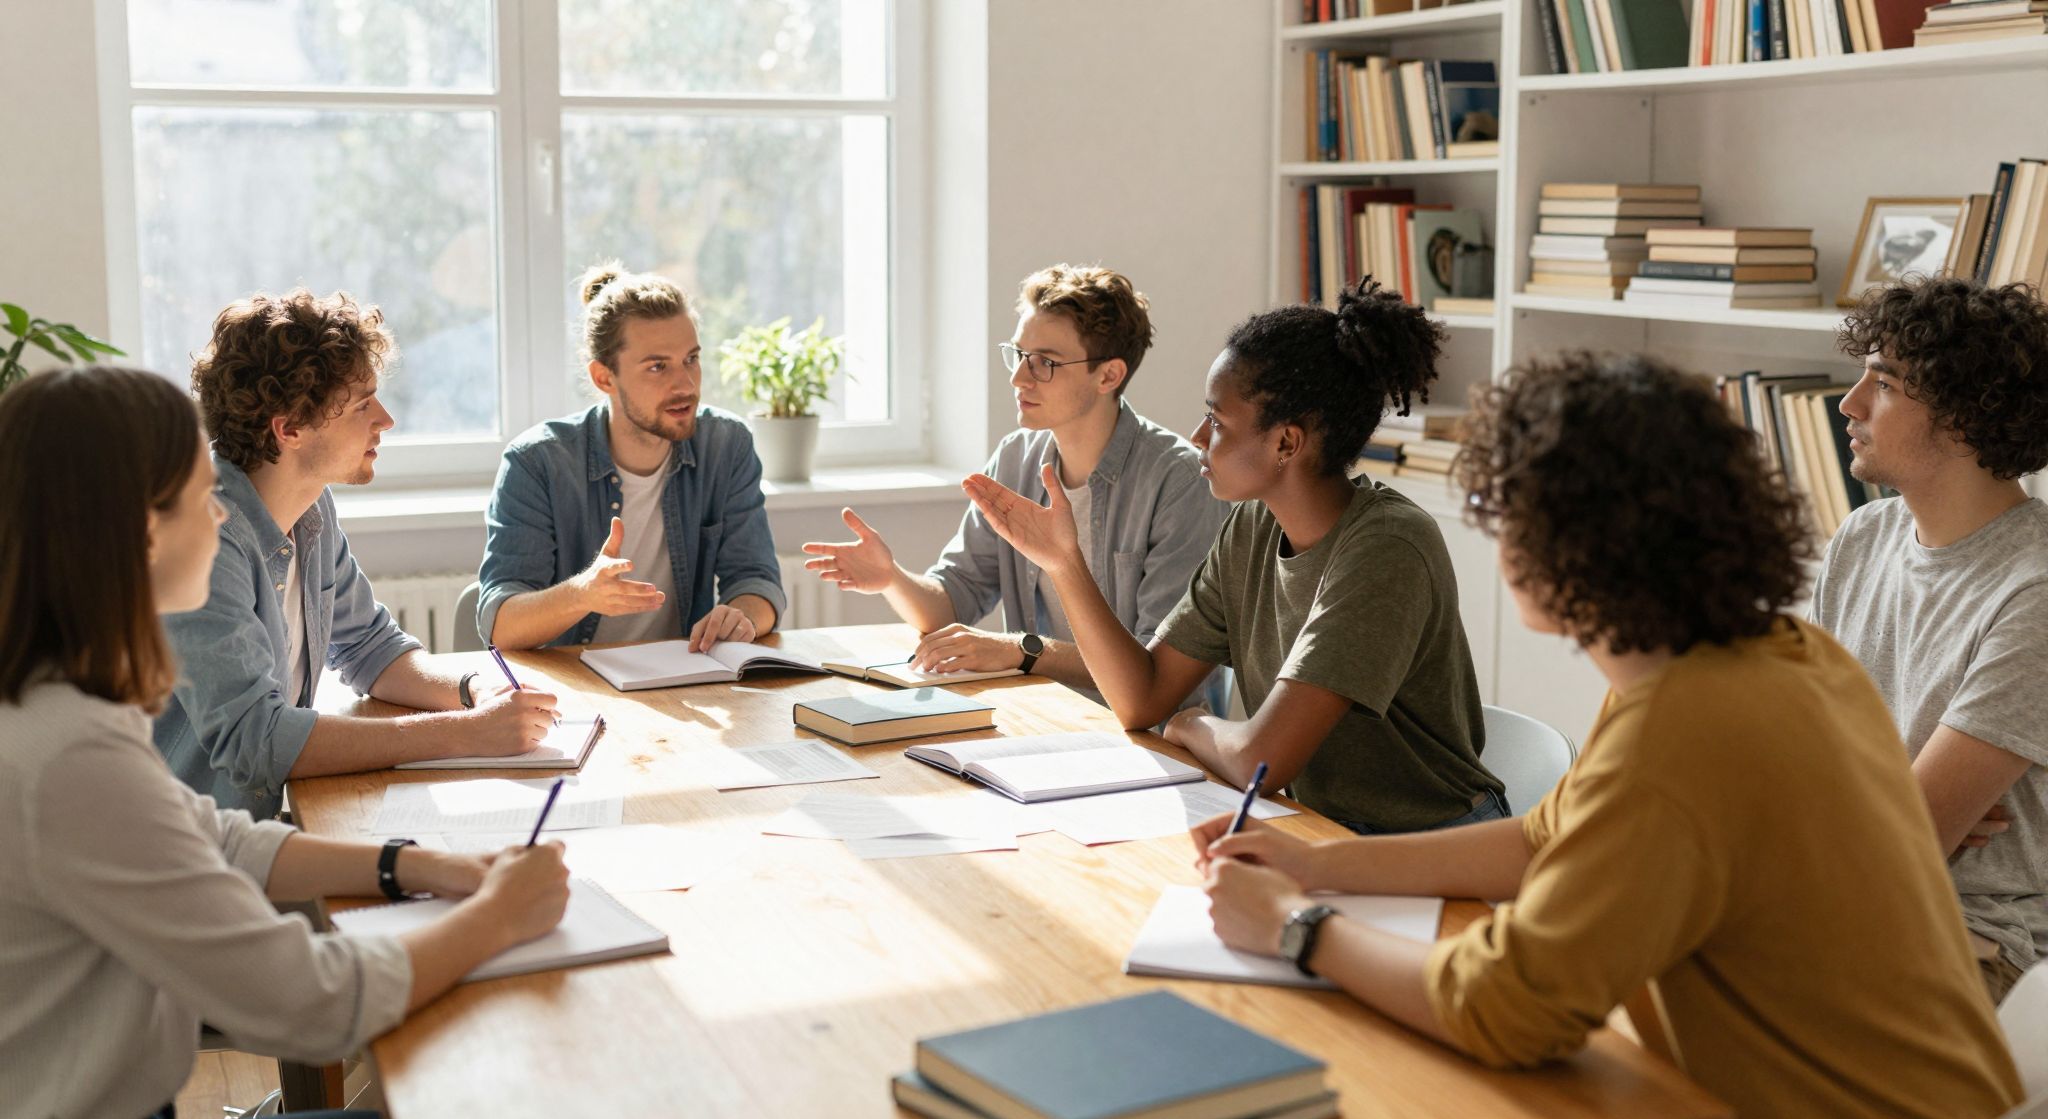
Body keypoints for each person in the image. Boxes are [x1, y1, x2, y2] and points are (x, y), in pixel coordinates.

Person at [1194, 352, 2021, 1119]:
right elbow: (1541, 839)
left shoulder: (1682, 730)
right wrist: (1315, 866)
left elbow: (1507, 1008)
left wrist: (1298, 928)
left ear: (1558, 541)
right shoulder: (1781, 653)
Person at [0, 366, 571, 1119]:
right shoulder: (71, 756)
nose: (221, 516)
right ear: (140, 530)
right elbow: (313, 1002)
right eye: (203, 495)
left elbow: (219, 837)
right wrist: (499, 916)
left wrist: (419, 866)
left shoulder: (54, 697)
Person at [962, 278, 1497, 834]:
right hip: (1318, 828)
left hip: (1431, 845)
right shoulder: (1252, 526)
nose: (1196, 436)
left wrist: (1193, 723)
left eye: (1217, 422)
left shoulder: (1386, 548)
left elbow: (1257, 761)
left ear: (1286, 443)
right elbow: (1140, 699)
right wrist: (1064, 564)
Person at [156, 291, 560, 819]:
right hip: (194, 851)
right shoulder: (207, 538)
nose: (386, 419)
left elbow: (370, 647)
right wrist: (468, 733)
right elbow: (257, 741)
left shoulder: (310, 505)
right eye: (362, 404)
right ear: (290, 427)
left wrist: (475, 690)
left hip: (261, 827)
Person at [801, 264, 1226, 704]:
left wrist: (1021, 651)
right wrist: (892, 578)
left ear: (1108, 376)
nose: (1019, 378)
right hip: (1047, 718)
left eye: (1045, 363)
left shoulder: (1179, 480)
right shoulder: (1015, 458)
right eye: (1019, 355)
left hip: (1152, 738)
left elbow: (1150, 670)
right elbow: (953, 602)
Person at [1812, 277, 2048, 1004]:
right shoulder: (1862, 536)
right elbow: (1802, 757)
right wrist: (1887, 794)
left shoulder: (2033, 590)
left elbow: (1897, 847)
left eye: (1883, 383)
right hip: (1838, 896)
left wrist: (1883, 806)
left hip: (1976, 941)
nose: (1848, 404)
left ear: (1963, 416)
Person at [480, 263, 784, 651]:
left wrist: (741, 616)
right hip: (574, 692)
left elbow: (758, 582)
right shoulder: (536, 462)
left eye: (691, 359)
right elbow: (500, 624)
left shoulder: (725, 445)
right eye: (658, 367)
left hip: (686, 680)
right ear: (604, 377)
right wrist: (583, 594)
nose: (686, 385)